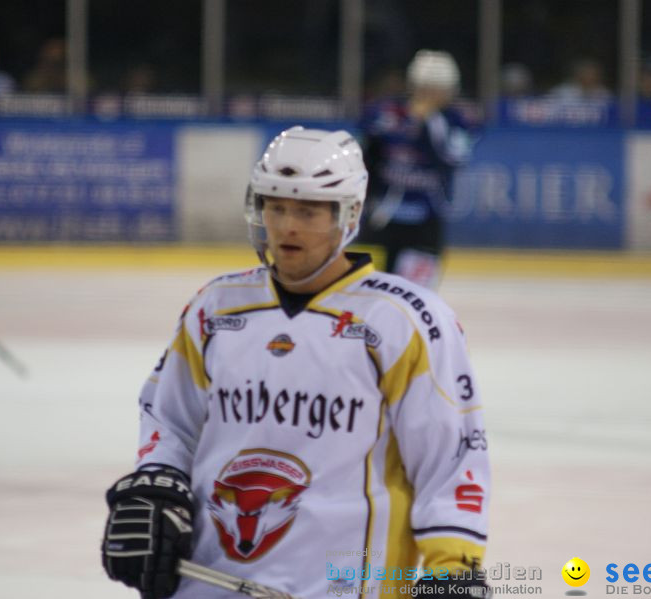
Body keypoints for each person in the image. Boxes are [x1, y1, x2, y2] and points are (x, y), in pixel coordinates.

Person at [100, 127, 490, 599]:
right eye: (277, 206)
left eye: (307, 211)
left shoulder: (405, 321)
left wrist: (454, 569)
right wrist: (156, 483)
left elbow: (450, 457)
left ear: (347, 216)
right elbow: (169, 419)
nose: (287, 226)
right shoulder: (217, 307)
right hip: (210, 581)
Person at [358, 50, 473, 289]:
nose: (432, 96)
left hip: (426, 223)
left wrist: (428, 122)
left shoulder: (456, 122)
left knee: (415, 297)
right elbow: (366, 153)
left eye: (439, 90)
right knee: (369, 296)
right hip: (382, 219)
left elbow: (453, 157)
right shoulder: (385, 113)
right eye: (426, 88)